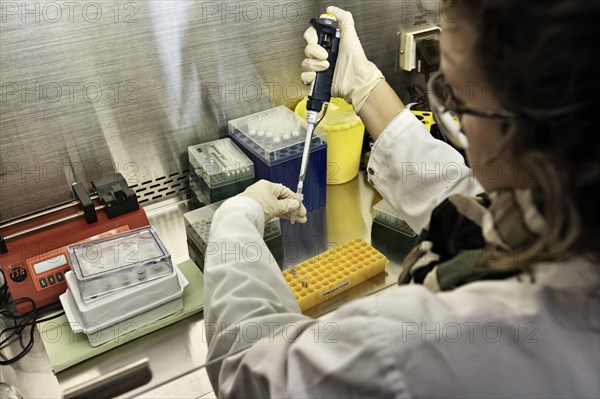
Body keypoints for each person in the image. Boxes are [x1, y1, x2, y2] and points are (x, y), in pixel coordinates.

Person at [203, 2, 599, 397]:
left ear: (524, 131)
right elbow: (466, 200)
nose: (455, 117)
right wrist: (365, 86)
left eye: (456, 100)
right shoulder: (566, 210)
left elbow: (250, 372)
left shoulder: (433, 345)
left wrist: (236, 217)